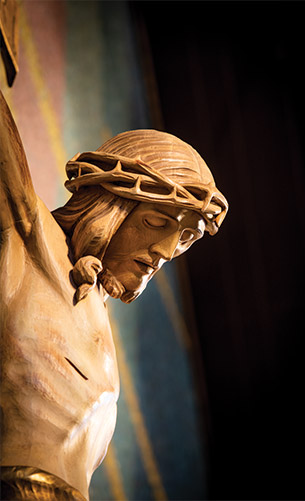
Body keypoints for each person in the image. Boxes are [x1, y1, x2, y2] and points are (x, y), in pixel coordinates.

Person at [0, 91, 227, 500]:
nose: (166, 251)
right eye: (156, 222)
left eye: (185, 238)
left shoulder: (96, 308)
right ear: (108, 204)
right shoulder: (27, 237)